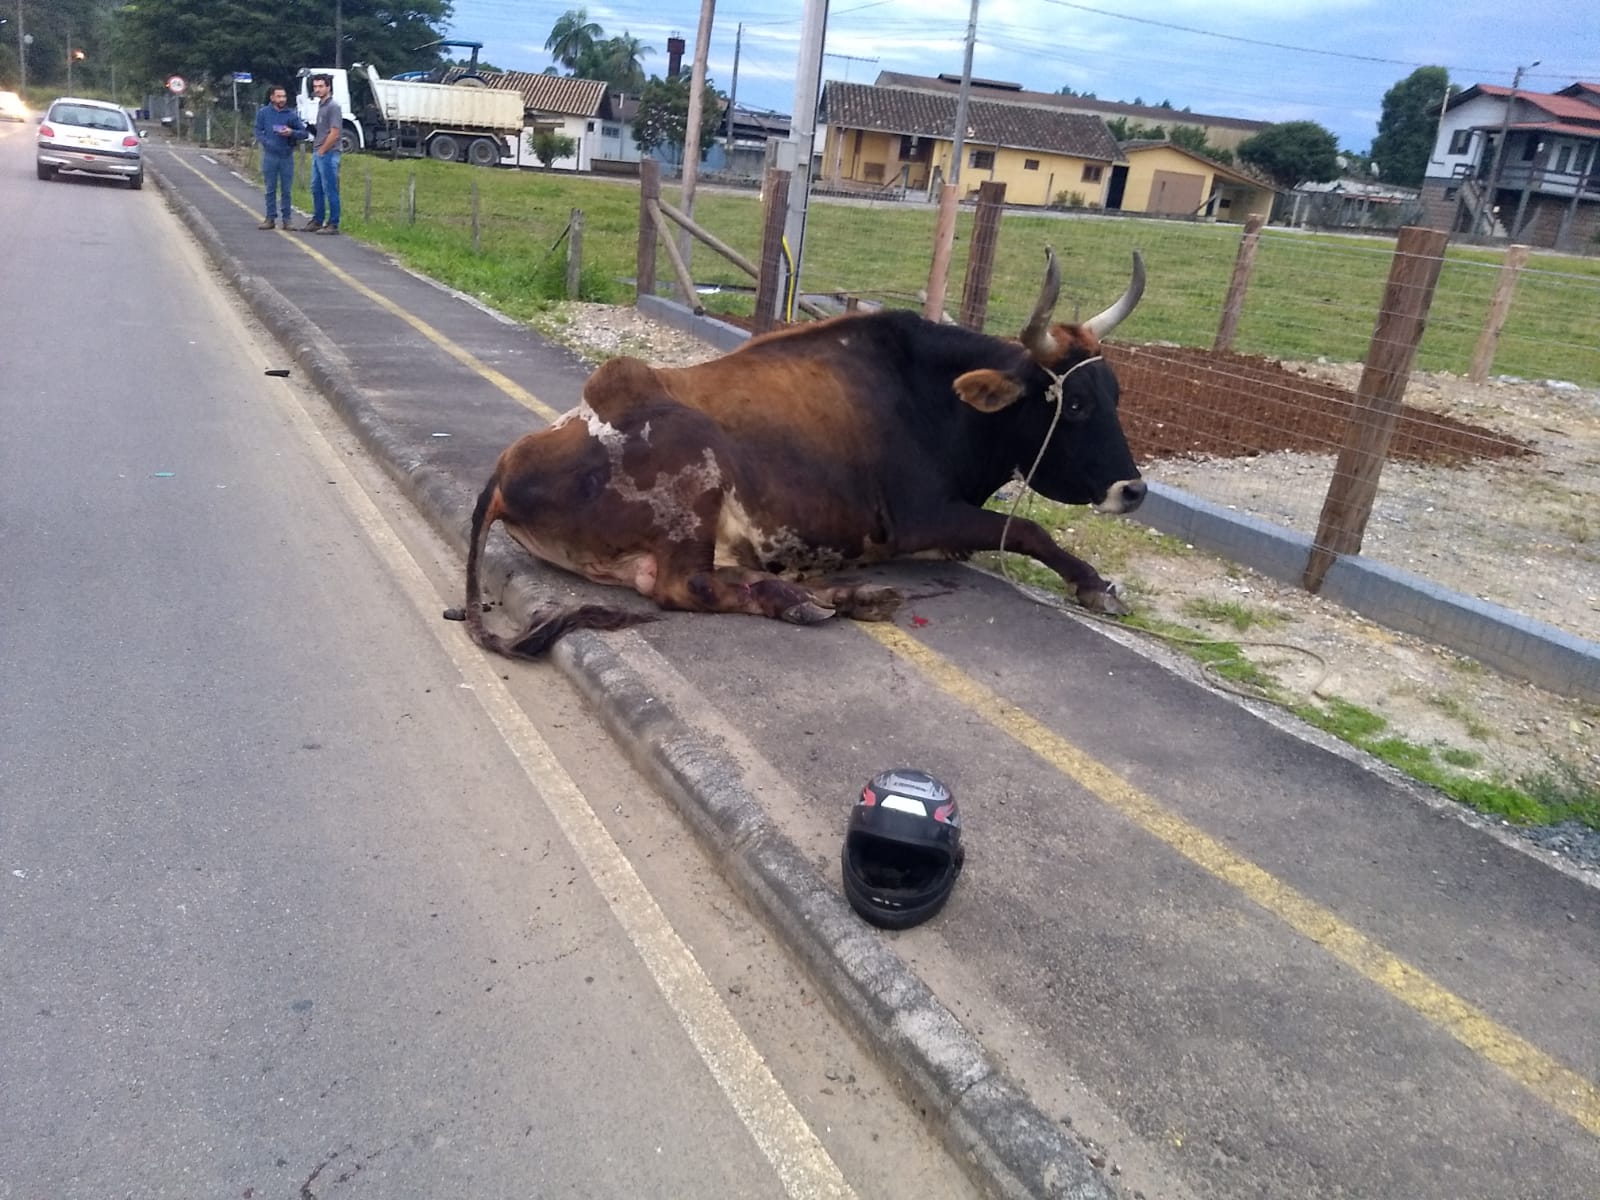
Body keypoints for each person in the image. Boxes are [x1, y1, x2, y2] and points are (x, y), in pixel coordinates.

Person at [252, 86, 307, 230]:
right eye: (279, 96)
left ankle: (287, 219)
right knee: (270, 188)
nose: (282, 99)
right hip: (270, 155)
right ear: (272, 97)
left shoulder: (291, 115)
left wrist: (291, 132)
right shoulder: (264, 113)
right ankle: (270, 218)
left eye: (283, 96)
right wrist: (265, 142)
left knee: (286, 190)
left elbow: (304, 133)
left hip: (286, 156)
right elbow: (257, 130)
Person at [300, 73, 343, 235]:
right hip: (319, 151)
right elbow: (323, 130)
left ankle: (333, 223)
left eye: (320, 86)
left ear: (328, 87)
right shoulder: (321, 105)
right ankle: (317, 220)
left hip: (328, 152)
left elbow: (335, 132)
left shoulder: (333, 107)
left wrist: (323, 150)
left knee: (330, 188)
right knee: (316, 187)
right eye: (315, 86)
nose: (317, 89)